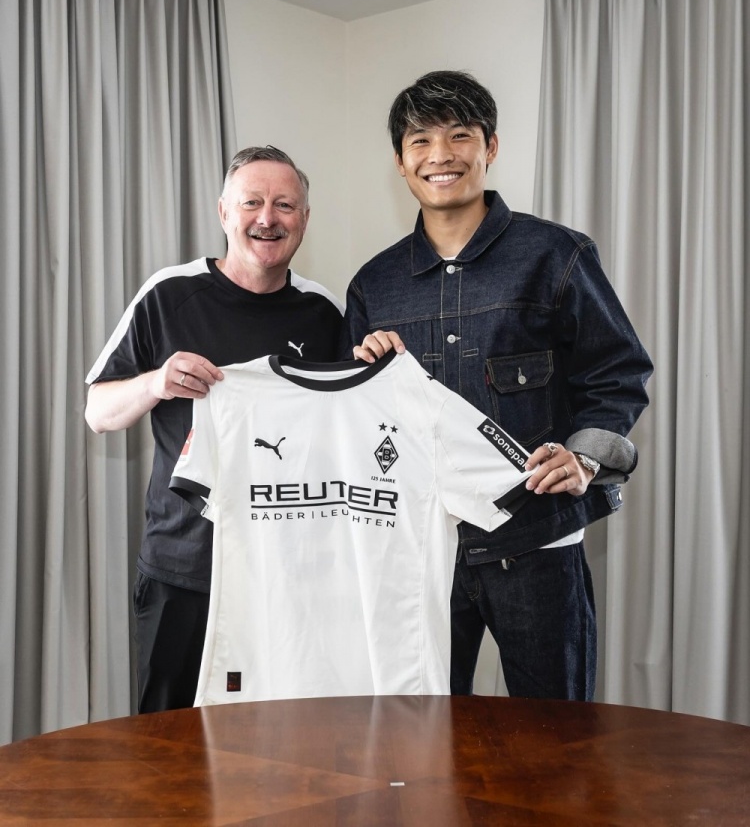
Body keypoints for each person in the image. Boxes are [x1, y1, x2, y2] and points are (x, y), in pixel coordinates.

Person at [343, 71, 653, 700]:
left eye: (459, 135)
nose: (440, 155)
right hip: (419, 553)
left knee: (554, 737)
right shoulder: (374, 285)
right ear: (400, 161)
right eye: (420, 140)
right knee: (418, 735)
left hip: (538, 542)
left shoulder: (557, 255)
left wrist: (585, 457)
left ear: (490, 146)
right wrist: (369, 374)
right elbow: (355, 420)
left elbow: (617, 372)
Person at [85, 146, 346, 713]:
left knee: (278, 741)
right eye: (252, 202)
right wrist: (156, 382)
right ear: (224, 211)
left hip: (286, 574)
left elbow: (346, 436)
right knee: (166, 741)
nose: (267, 218)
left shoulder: (325, 313)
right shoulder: (168, 293)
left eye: (284, 205)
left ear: (304, 219)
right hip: (182, 568)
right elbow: (97, 412)